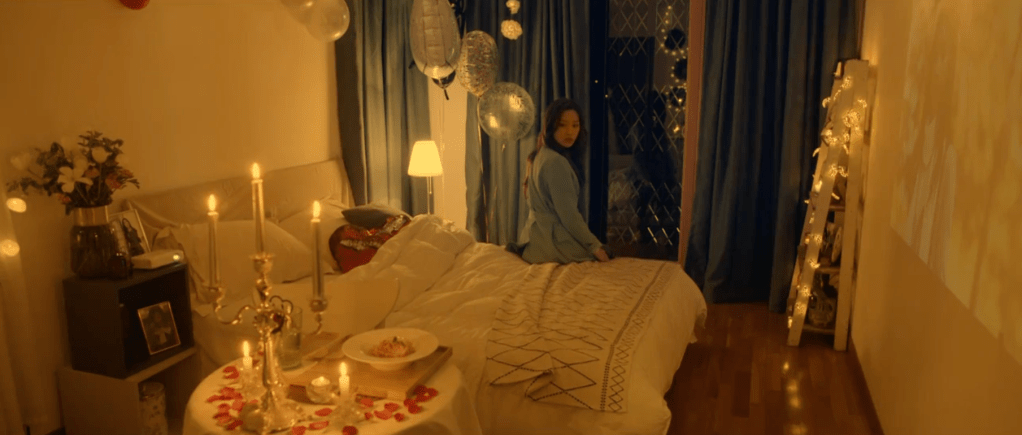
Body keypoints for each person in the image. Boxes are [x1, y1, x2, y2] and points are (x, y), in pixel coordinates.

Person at [510, 98, 611, 264]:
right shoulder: (555, 162)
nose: (570, 132)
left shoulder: (541, 154)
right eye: (562, 125)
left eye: (575, 125)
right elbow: (569, 215)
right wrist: (594, 247)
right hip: (552, 244)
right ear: (551, 127)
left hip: (536, 242)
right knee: (603, 255)